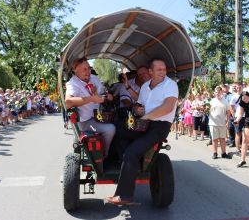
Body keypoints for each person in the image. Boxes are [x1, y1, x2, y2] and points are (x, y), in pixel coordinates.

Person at [106, 58, 178, 205]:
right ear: (151, 71)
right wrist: (137, 108)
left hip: (159, 126)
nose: (162, 72)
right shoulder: (145, 86)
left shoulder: (170, 85)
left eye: (164, 69)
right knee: (118, 129)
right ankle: (126, 164)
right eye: (159, 70)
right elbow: (139, 103)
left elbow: (168, 107)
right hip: (144, 123)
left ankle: (124, 196)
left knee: (131, 153)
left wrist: (146, 116)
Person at [65, 57, 116, 157]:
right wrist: (91, 99)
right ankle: (104, 155)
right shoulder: (73, 83)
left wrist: (107, 95)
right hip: (85, 121)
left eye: (89, 68)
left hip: (100, 116)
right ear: (75, 71)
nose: (88, 72)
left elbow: (102, 92)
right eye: (84, 69)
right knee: (110, 129)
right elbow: (68, 102)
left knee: (120, 124)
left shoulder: (93, 78)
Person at [208, 86, 230, 159]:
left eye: (219, 92)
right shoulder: (211, 101)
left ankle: (223, 153)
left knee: (222, 139)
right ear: (214, 93)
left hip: (222, 123)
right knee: (214, 139)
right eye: (216, 92)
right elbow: (207, 109)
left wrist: (228, 121)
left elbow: (228, 111)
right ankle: (215, 153)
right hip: (213, 123)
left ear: (221, 92)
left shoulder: (225, 101)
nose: (217, 93)